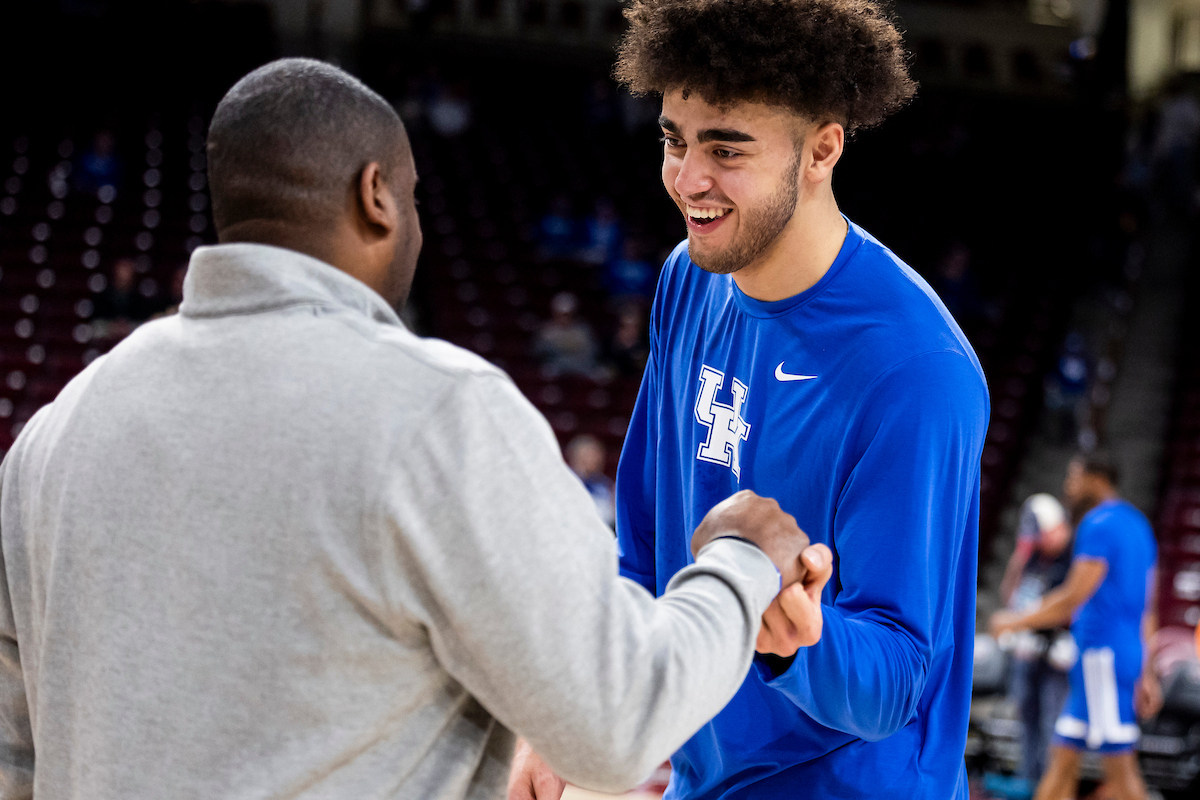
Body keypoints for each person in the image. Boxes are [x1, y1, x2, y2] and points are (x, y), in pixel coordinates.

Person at [0, 58, 831, 799]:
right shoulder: (437, 412)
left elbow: (14, 759)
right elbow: (618, 725)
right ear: (376, 196)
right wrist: (740, 562)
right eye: (414, 197)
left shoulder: (56, 432)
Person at [510, 1, 990, 798]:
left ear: (823, 148)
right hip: (703, 780)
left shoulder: (915, 368)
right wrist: (573, 712)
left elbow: (895, 684)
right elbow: (643, 548)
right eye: (675, 140)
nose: (687, 179)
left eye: (726, 149)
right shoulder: (687, 279)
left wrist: (800, 636)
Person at [991, 452, 1162, 800]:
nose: (1068, 487)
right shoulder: (1138, 524)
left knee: (1121, 771)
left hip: (1101, 657)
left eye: (1074, 477)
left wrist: (1014, 620)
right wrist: (1146, 671)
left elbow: (1072, 597)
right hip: (1117, 656)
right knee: (1062, 761)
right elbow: (1148, 608)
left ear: (1096, 479)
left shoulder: (1098, 524)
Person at [997, 493, 1075, 788]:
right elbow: (1010, 596)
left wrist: (1027, 621)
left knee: (1053, 724)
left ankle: (1050, 787)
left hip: (1060, 658)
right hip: (1029, 653)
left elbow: (1069, 606)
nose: (1039, 542)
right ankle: (1028, 782)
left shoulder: (1074, 557)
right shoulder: (1033, 555)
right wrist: (1020, 555)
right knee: (1026, 719)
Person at [565, 434, 615, 528]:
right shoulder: (567, 482)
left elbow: (609, 515)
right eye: (591, 454)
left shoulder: (606, 484)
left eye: (598, 454)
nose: (597, 459)